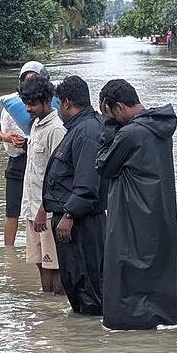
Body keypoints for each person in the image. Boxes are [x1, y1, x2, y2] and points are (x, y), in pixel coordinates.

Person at [96, 79, 177, 330]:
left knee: (124, 269)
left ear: (119, 107)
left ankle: (127, 329)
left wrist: (108, 125)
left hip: (132, 212)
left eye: (108, 112)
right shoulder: (159, 127)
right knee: (153, 269)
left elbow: (104, 165)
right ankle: (153, 326)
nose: (108, 118)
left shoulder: (130, 133)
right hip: (158, 212)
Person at [42, 75, 107, 315]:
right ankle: (81, 340)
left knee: (86, 286)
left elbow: (87, 182)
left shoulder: (87, 131)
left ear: (67, 102)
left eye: (58, 103)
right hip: (75, 220)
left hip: (81, 223)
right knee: (76, 282)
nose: (57, 108)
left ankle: (89, 343)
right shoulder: (79, 128)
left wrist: (69, 213)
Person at [0, 61, 50, 247]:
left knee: (40, 210)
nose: (29, 84)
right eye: (25, 80)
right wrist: (7, 137)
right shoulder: (14, 105)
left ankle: (42, 247)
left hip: (41, 166)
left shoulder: (50, 107)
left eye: (33, 80)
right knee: (12, 212)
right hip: (18, 165)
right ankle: (10, 255)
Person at [18, 75, 66, 294]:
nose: (28, 108)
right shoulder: (36, 125)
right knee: (39, 262)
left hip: (45, 211)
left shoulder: (56, 129)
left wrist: (43, 209)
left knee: (54, 266)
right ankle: (45, 309)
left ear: (47, 101)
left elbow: (57, 176)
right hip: (31, 207)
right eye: (26, 103)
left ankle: (55, 312)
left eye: (33, 104)